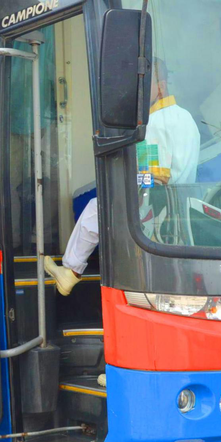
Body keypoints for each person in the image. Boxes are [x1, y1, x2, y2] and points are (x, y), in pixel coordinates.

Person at [44, 58, 200, 298]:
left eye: (144, 87)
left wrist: (126, 195)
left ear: (161, 86)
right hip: (177, 211)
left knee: (96, 209)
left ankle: (71, 271)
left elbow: (155, 179)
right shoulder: (188, 119)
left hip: (155, 211)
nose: (138, 95)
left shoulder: (155, 123)